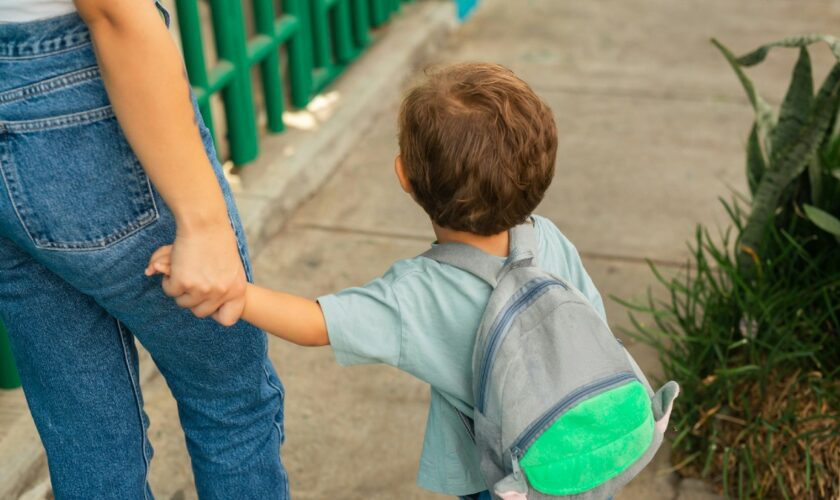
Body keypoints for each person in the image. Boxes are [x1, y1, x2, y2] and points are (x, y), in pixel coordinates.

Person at [149, 63, 607, 499]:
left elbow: (316, 323)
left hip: (508, 474)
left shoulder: (421, 292)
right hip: (585, 438)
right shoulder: (547, 238)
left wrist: (235, 293)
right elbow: (594, 320)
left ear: (403, 176)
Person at [0, 1, 288, 498]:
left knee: (87, 440)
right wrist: (203, 223)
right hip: (73, 96)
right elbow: (114, 13)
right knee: (230, 403)